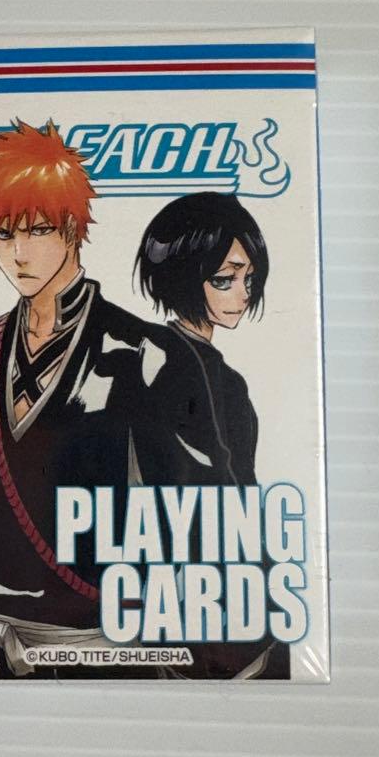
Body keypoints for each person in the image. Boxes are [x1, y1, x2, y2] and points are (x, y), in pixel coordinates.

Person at [0, 120, 228, 680]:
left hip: (101, 657)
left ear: (72, 228)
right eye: (4, 235)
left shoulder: (147, 355)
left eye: (39, 229)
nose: (19, 253)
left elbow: (204, 522)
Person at [135, 192, 288, 679]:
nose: (243, 293)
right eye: (224, 278)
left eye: (249, 279)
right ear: (183, 276)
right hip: (194, 589)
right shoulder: (184, 369)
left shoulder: (193, 367)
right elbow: (228, 488)